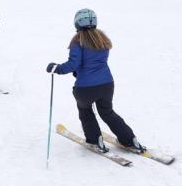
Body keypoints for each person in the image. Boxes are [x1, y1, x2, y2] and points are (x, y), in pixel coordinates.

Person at [46, 8, 144, 154]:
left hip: (86, 88)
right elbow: (93, 62)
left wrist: (56, 68)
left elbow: (74, 64)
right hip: (106, 85)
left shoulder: (78, 41)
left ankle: (94, 140)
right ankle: (130, 140)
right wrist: (77, 71)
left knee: (85, 110)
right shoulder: (102, 39)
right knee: (107, 112)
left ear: (77, 23)